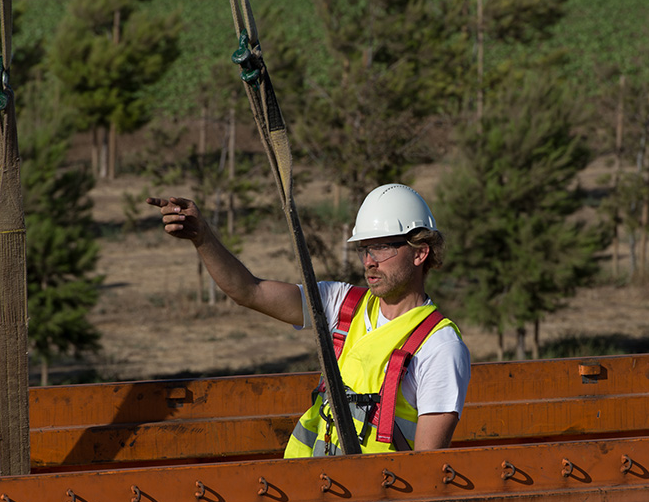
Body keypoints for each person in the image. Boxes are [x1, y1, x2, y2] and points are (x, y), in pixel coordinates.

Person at [147, 184, 470, 457]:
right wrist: (202, 238)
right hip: (316, 491)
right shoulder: (342, 305)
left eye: (383, 247)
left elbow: (427, 470)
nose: (369, 261)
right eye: (363, 249)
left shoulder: (439, 347)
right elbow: (249, 291)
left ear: (420, 253)